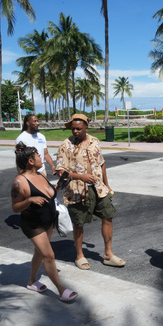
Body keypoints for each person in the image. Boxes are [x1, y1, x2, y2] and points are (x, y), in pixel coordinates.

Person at [55, 113, 125, 270]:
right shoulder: (65, 145)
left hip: (99, 189)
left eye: (78, 129)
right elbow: (61, 172)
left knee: (108, 216)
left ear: (86, 128)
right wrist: (81, 177)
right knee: (79, 223)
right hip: (76, 191)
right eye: (73, 129)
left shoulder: (95, 141)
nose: (75, 132)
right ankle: (79, 255)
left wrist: (107, 185)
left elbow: (101, 163)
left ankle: (108, 254)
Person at [11, 142, 78, 302]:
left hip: (48, 221)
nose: (42, 157)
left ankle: (31, 281)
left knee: (39, 253)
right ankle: (62, 290)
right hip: (33, 225)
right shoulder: (19, 182)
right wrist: (29, 200)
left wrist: (61, 184)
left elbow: (50, 194)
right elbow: (15, 208)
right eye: (38, 155)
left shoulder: (41, 175)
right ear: (30, 161)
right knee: (49, 255)